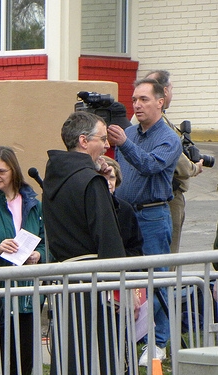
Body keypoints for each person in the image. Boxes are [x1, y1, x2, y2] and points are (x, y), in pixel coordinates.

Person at [42, 111, 126, 375]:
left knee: (70, 357)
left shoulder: (54, 179)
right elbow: (109, 238)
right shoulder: (91, 181)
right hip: (94, 285)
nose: (107, 145)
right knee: (97, 359)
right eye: (102, 139)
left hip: (65, 280)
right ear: (83, 141)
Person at [108, 78, 182, 366]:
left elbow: (150, 165)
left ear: (160, 102)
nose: (137, 105)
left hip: (152, 215)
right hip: (125, 214)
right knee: (126, 277)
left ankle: (157, 343)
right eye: (134, 99)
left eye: (144, 99)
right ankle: (130, 337)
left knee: (156, 278)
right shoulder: (129, 133)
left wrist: (124, 144)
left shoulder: (169, 138)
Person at [0, 146, 45, 375]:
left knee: (23, 362)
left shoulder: (34, 204)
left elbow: (48, 243)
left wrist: (39, 255)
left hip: (27, 295)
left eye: (1, 171)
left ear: (13, 172)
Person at [142, 70, 203, 255]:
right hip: (167, 194)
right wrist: (194, 168)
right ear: (165, 91)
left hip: (159, 196)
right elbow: (177, 160)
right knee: (168, 255)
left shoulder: (153, 121)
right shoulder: (155, 123)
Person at [103, 156, 144, 258]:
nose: (108, 182)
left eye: (111, 177)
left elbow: (135, 247)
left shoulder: (126, 209)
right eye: (103, 177)